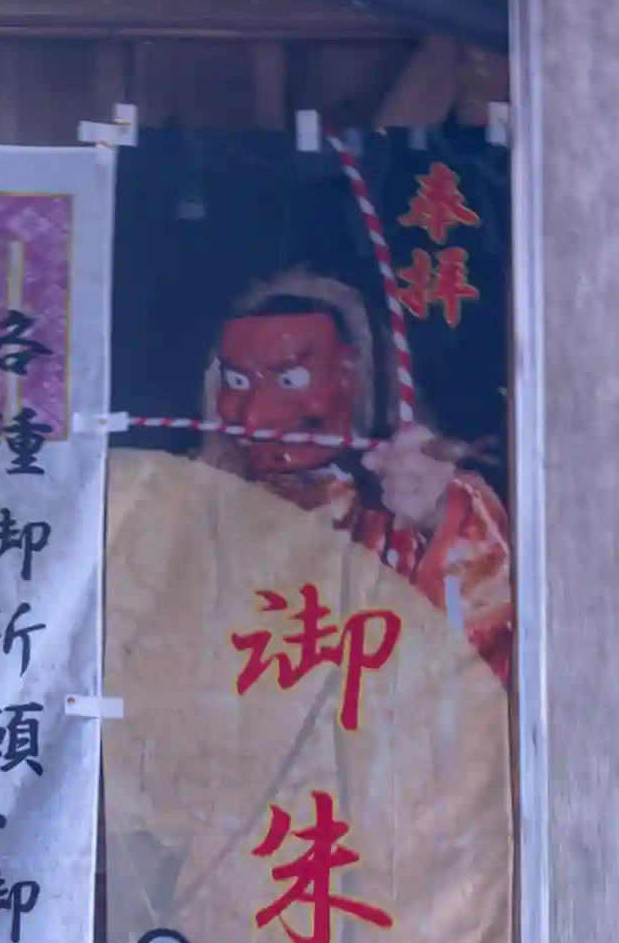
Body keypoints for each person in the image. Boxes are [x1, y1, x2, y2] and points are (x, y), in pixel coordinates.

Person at [194, 270, 512, 684]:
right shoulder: (187, 507)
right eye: (236, 380)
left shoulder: (391, 525)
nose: (253, 416)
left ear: (355, 377)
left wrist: (443, 521)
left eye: (290, 379)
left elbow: (475, 671)